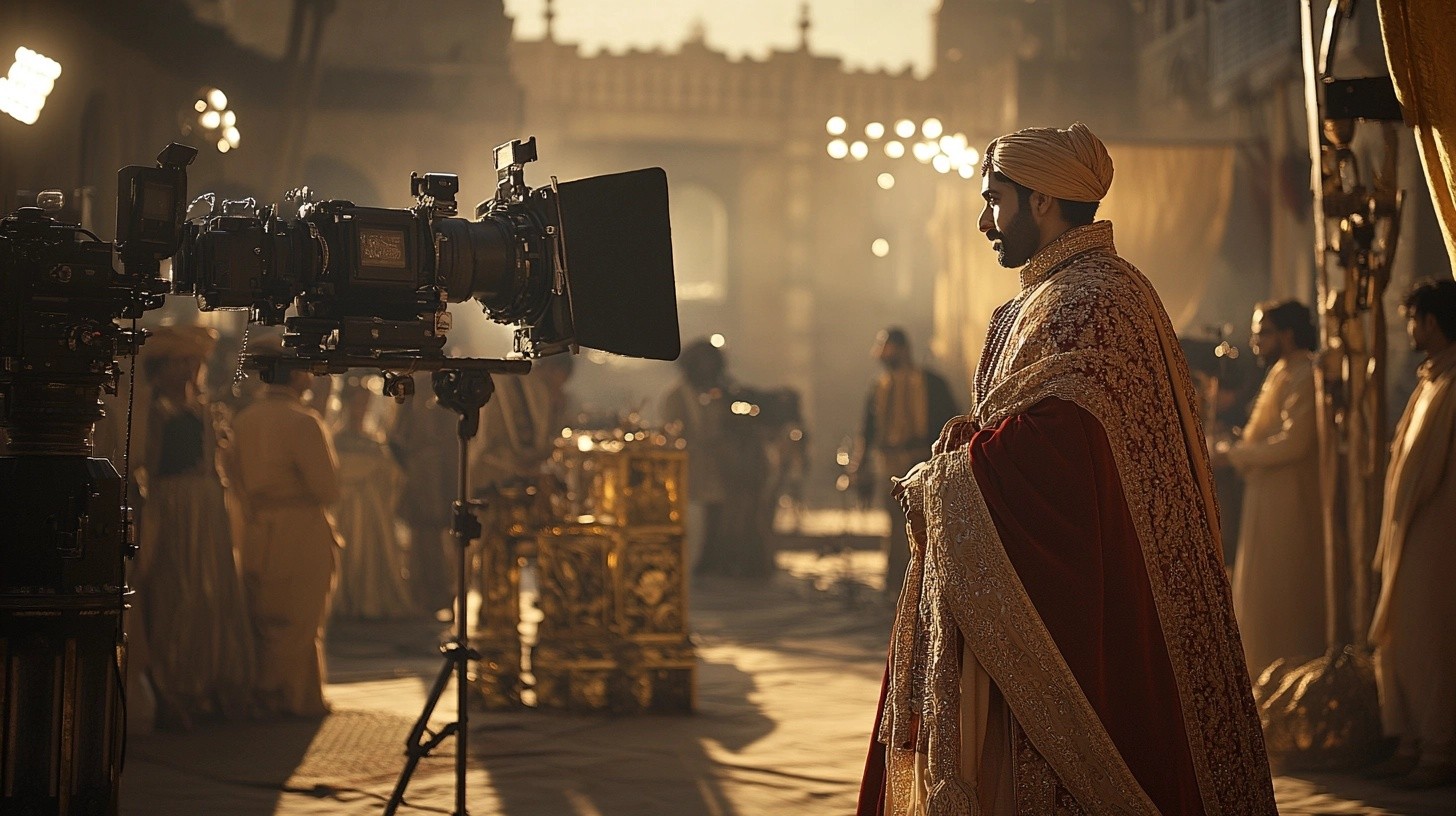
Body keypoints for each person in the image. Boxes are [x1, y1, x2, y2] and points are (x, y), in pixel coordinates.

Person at [858, 123, 1274, 814]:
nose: (984, 220)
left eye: (995, 200)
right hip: (1067, 586)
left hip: (1081, 599)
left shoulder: (1086, 300)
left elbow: (1063, 451)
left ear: (1043, 202)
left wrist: (946, 479)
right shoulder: (1083, 291)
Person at [131, 325, 254, 728]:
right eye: (181, 361)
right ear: (161, 367)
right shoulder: (152, 409)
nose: (189, 369)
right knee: (177, 592)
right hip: (173, 509)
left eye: (193, 362)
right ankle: (176, 689)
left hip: (209, 507)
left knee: (214, 593)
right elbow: (144, 464)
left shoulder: (204, 408)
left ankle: (215, 686)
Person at [1365, 278, 1456, 788]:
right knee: (1404, 636)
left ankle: (1439, 748)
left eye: (1415, 319)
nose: (1410, 329)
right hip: (1410, 534)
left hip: (1439, 534)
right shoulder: (1430, 380)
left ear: (1435, 322)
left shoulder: (1453, 383)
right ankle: (1410, 740)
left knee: (1431, 638)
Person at [1211, 301, 1326, 679]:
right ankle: (1264, 679)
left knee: (1283, 590)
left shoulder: (1305, 372)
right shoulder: (1282, 372)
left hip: (1288, 501)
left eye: (1263, 332)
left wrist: (1238, 453)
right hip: (1266, 495)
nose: (1255, 340)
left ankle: (1290, 679)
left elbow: (1295, 442)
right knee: (1261, 592)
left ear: (1287, 335)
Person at [231, 361, 342, 719]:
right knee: (299, 615)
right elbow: (327, 488)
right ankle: (282, 695)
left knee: (265, 612)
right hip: (299, 527)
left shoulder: (244, 418)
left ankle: (291, 692)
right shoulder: (303, 420)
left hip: (256, 525)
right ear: (296, 375)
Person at [852, 327, 958, 595]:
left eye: (885, 346)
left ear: (901, 348)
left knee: (924, 521)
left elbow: (950, 421)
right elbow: (867, 429)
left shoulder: (931, 383)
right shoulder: (879, 386)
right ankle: (896, 580)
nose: (881, 353)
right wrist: (858, 464)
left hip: (921, 459)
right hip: (889, 461)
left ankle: (927, 581)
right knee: (894, 523)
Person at [330, 377, 412, 619]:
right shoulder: (336, 439)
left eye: (365, 405)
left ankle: (368, 600)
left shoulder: (374, 442)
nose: (361, 410)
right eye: (358, 404)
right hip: (346, 510)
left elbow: (392, 476)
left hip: (372, 511)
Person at [391, 373, 459, 618]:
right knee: (427, 536)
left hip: (442, 467)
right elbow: (398, 436)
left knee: (447, 533)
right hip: (428, 471)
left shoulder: (447, 378)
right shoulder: (418, 381)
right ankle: (428, 597)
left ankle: (444, 596)